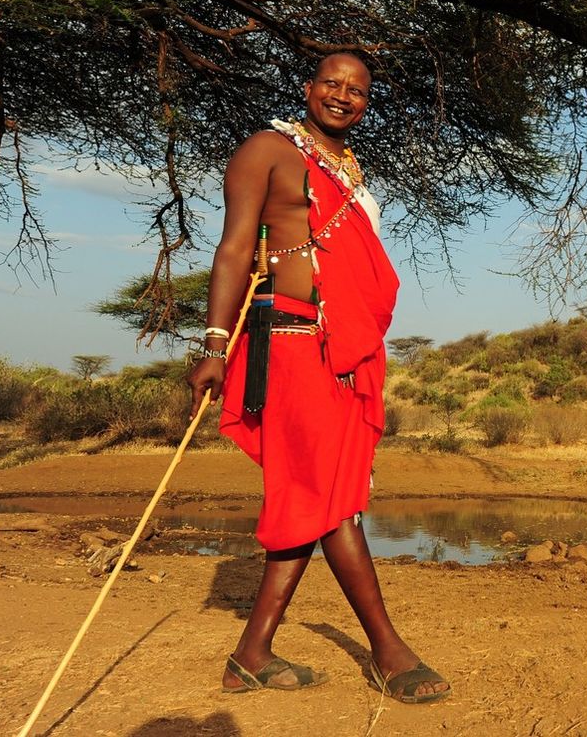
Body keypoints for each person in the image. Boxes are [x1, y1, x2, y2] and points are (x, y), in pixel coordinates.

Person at [186, 53, 449, 703]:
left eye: (356, 90)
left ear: (365, 103)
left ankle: (251, 653)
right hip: (291, 346)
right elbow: (233, 248)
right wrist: (216, 344)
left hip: (341, 351)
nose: (342, 95)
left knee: (317, 494)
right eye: (332, 83)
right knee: (332, 501)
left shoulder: (347, 168)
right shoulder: (267, 150)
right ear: (307, 89)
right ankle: (389, 652)